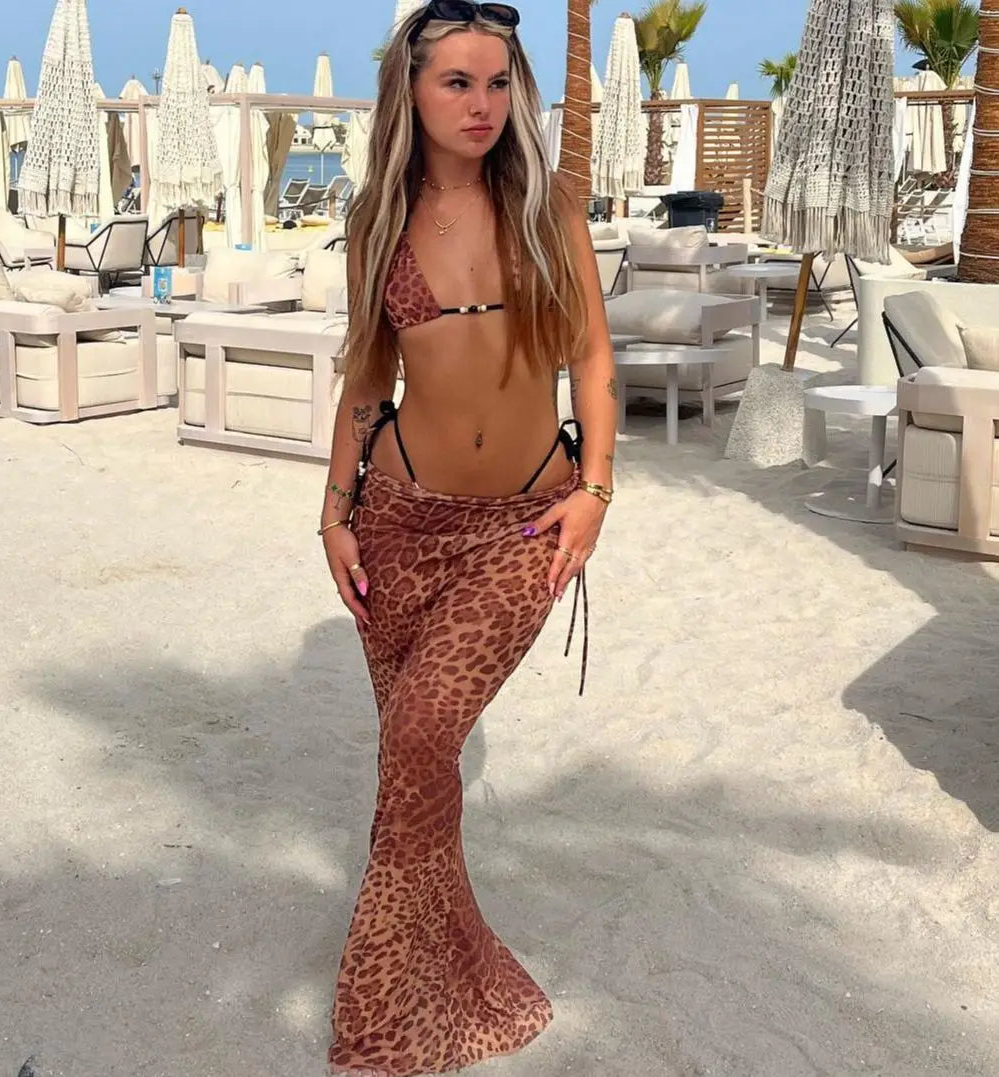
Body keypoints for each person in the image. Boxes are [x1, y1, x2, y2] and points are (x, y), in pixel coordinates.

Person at [319, 2, 617, 1073]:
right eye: (457, 82)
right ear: (411, 90)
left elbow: (592, 358)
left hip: (521, 526)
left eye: (498, 83)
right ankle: (451, 977)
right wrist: (334, 511)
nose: (482, 104)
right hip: (398, 522)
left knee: (418, 738)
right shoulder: (377, 218)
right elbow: (367, 377)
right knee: (417, 764)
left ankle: (385, 1017)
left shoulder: (548, 206)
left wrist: (596, 490)